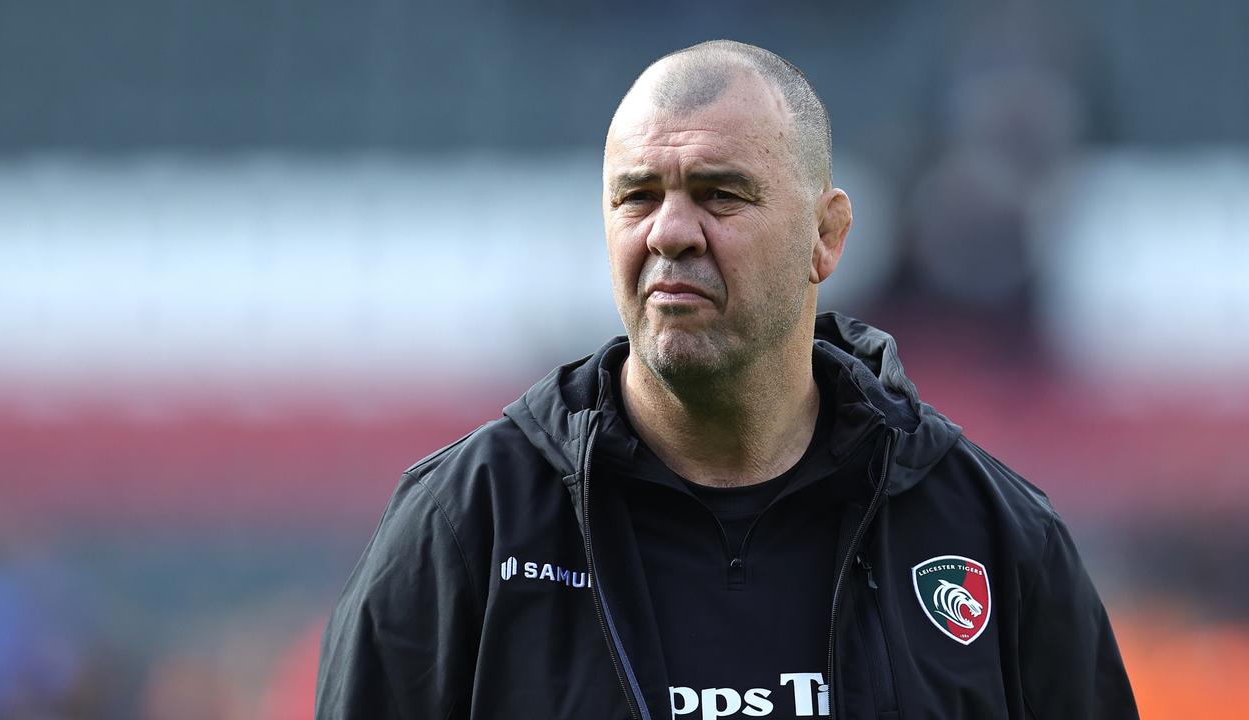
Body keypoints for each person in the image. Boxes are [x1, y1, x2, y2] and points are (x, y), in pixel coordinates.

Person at [315, 40, 1138, 719]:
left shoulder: (994, 538)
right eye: (637, 197)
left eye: (720, 194)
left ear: (827, 235)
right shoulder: (466, 531)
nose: (672, 232)